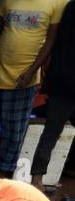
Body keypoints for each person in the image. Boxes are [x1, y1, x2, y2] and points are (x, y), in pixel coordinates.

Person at [0, 0, 67, 177]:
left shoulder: (57, 3)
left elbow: (50, 42)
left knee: (13, 132)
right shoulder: (8, 1)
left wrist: (32, 70)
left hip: (24, 79)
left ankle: (4, 174)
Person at [32, 5, 75, 189]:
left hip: (61, 81)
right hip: (64, 82)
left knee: (51, 133)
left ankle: (38, 179)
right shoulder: (70, 8)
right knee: (51, 133)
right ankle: (38, 177)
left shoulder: (70, 7)